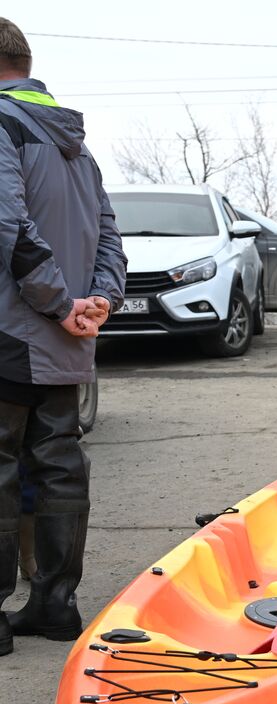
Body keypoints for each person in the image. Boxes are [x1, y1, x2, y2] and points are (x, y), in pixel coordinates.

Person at [0, 17, 125, 657]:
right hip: (68, 334)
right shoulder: (76, 139)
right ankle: (55, 602)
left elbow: (10, 226)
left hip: (14, 328)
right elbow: (109, 233)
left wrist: (57, 302)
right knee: (58, 463)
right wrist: (98, 300)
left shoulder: (3, 126)